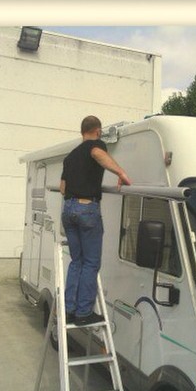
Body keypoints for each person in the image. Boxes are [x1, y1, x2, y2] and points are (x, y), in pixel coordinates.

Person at [60, 115, 131, 325]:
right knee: (91, 263)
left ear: (82, 131)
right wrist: (121, 172)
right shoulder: (96, 145)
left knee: (77, 261)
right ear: (98, 131)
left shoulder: (70, 157)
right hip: (86, 209)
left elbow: (63, 188)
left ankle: (69, 310)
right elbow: (97, 154)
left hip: (68, 208)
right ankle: (83, 313)